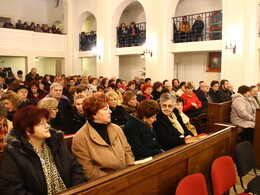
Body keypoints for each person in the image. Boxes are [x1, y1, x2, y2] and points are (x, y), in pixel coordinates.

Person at [0, 106, 85, 194]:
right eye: (41, 124)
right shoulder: (15, 153)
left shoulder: (56, 143)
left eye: (47, 122)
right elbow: (13, 189)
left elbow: (75, 168)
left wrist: (75, 191)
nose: (47, 126)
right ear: (28, 131)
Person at [72, 92, 134, 180]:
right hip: (105, 183)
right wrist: (115, 179)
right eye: (105, 109)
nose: (110, 111)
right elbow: (88, 170)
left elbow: (127, 151)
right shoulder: (81, 137)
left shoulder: (116, 128)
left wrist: (129, 170)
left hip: (126, 176)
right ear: (94, 113)